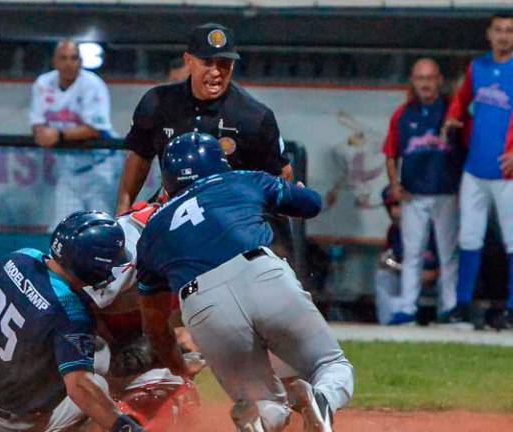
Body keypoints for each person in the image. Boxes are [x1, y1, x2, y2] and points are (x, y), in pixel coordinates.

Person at [136, 132, 353, 432]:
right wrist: (297, 189)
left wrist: (178, 366)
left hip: (202, 306)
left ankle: (260, 416)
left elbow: (153, 322)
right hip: (261, 275)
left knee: (268, 404)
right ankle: (322, 398)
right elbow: (311, 205)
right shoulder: (241, 179)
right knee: (331, 366)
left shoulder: (153, 229)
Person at [0, 210, 145, 432]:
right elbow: (79, 388)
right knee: (98, 385)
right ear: (94, 267)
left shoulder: (18, 257)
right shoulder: (72, 312)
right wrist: (124, 427)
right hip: (9, 421)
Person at [115, 22, 291, 216]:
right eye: (207, 62)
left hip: (232, 217)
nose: (216, 71)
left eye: (224, 63)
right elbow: (139, 157)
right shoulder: (156, 103)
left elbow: (282, 175)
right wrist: (122, 212)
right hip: (172, 210)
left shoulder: (255, 116)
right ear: (189, 61)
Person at [443, 12, 513, 326]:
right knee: (469, 236)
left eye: (510, 31)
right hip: (475, 167)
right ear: (489, 34)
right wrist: (452, 120)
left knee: (512, 239)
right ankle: (462, 305)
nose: (503, 36)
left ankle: (511, 308)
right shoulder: (478, 67)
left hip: (507, 169)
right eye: (498, 30)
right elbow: (461, 101)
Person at [381, 58, 462, 325]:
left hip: (446, 191)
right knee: (413, 252)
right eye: (420, 78)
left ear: (439, 80)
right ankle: (407, 308)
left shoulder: (453, 112)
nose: (425, 84)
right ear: (413, 82)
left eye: (430, 78)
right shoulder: (403, 114)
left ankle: (449, 307)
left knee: (448, 252)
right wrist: (395, 185)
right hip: (414, 194)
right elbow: (391, 152)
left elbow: (467, 149)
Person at [29, 40, 118, 231]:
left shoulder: (92, 84)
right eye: (63, 58)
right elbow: (37, 123)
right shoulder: (43, 83)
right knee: (63, 228)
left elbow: (94, 129)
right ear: (54, 61)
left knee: (101, 228)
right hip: (68, 170)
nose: (69, 63)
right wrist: (41, 133)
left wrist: (58, 135)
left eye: (74, 58)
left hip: (99, 167)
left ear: (81, 61)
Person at [374, 187, 441, 326]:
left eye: (397, 205)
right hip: (409, 279)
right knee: (383, 277)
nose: (394, 212)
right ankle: (391, 324)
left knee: (446, 283)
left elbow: (451, 263)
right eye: (390, 207)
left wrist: (435, 273)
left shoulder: (434, 226)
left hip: (434, 281)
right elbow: (389, 258)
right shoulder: (393, 231)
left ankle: (448, 320)